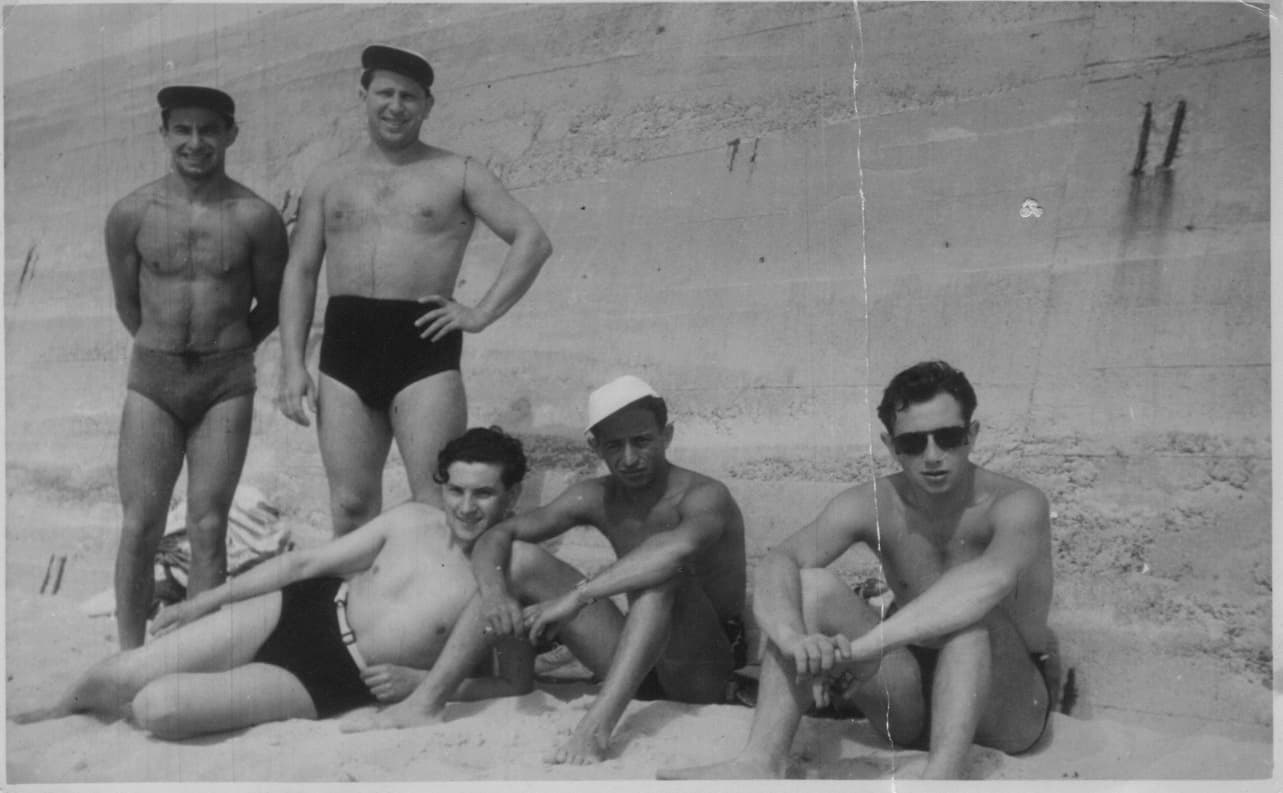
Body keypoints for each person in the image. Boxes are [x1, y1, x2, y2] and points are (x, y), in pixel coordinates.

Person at [658, 361, 1058, 781]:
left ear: (972, 435)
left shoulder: (1017, 503)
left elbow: (985, 584)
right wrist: (793, 638)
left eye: (948, 437)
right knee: (809, 587)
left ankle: (940, 780)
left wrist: (866, 648)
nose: (932, 455)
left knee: (974, 622)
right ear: (890, 445)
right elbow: (781, 561)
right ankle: (759, 762)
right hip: (911, 701)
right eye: (913, 443)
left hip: (1006, 706)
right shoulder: (876, 503)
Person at [11, 427, 545, 739]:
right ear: (443, 487)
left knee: (159, 708)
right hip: (302, 609)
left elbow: (516, 684)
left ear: (512, 496)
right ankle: (63, 709)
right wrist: (204, 601)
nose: (466, 507)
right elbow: (301, 566)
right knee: (126, 672)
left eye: (483, 494)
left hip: (337, 677)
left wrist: (419, 683)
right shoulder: (411, 521)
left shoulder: (509, 574)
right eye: (456, 491)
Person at [354, 376, 748, 764]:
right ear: (595, 446)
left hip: (701, 669)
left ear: (667, 435)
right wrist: (495, 593)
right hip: (634, 661)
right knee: (519, 558)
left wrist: (576, 598)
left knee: (665, 575)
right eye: (614, 445)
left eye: (642, 441)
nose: (629, 458)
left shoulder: (704, 495)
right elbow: (501, 534)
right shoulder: (596, 495)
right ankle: (427, 701)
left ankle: (594, 729)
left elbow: (674, 552)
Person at [277, 44, 553, 535]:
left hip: (423, 347)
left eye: (409, 96)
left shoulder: (458, 172)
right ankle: (356, 589)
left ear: (428, 105)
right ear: (363, 96)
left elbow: (532, 239)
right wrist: (292, 362)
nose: (396, 106)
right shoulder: (328, 178)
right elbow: (300, 270)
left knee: (434, 504)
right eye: (385, 93)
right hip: (345, 349)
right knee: (351, 504)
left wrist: (480, 313)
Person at [106, 85, 288, 649]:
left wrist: (224, 350)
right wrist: (164, 348)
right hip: (154, 380)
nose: (195, 142)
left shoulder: (256, 217)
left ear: (231, 134)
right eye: (182, 129)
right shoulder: (131, 213)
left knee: (210, 525)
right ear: (163, 134)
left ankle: (192, 655)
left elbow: (272, 306)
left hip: (225, 383)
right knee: (140, 524)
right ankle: (130, 655)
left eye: (209, 129)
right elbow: (128, 304)